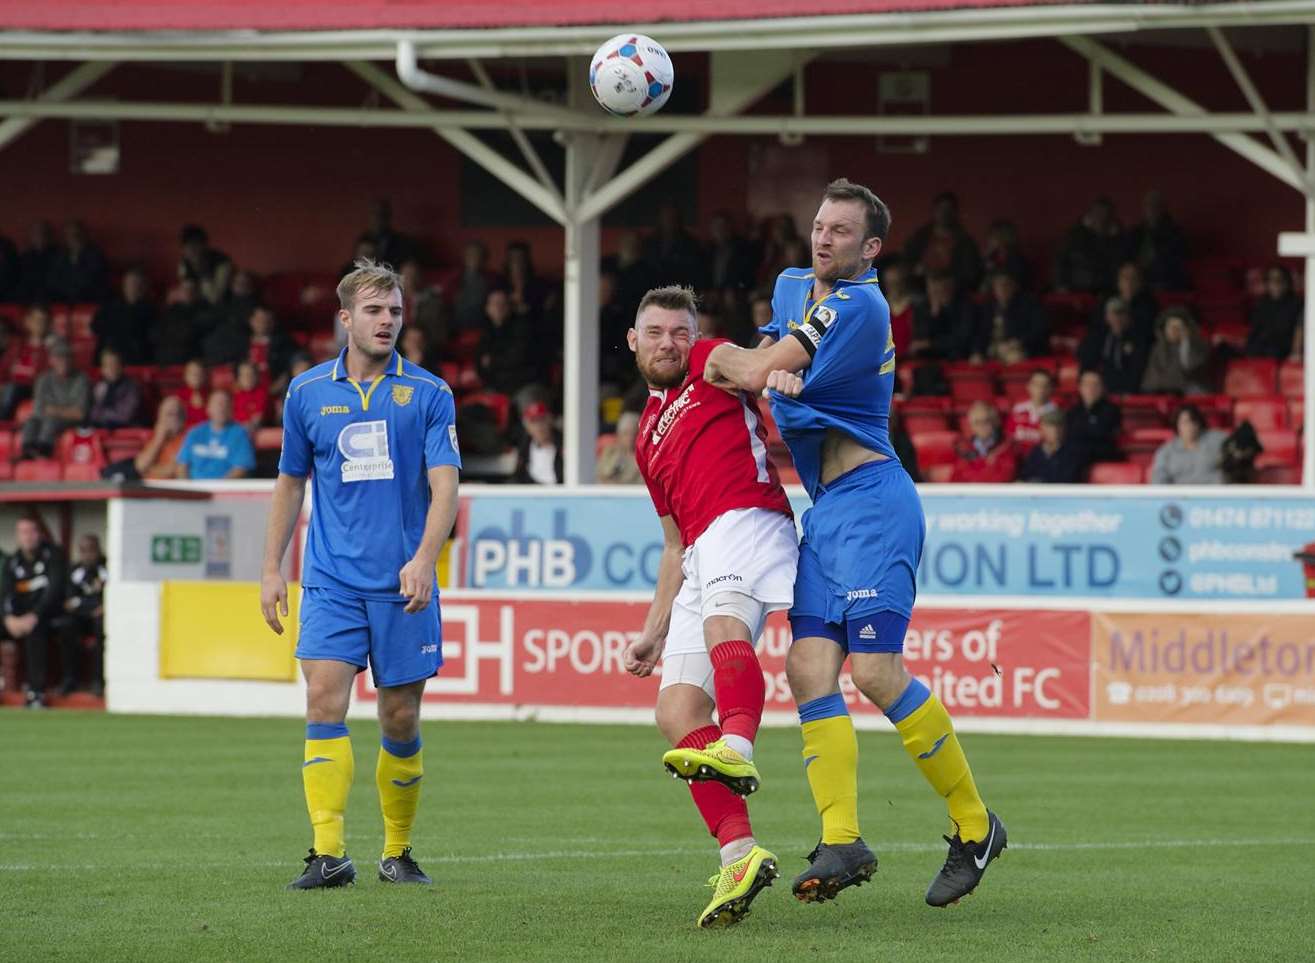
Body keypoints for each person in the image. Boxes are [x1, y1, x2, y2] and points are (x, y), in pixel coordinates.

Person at [701, 178, 1005, 907]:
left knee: (872, 671)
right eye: (818, 224)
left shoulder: (859, 304)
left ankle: (974, 824)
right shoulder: (790, 285)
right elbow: (769, 366)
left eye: (841, 230)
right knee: (807, 666)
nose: (823, 236)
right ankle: (842, 839)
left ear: (870, 248)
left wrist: (716, 353)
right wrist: (761, 364)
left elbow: (751, 369)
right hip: (827, 509)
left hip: (874, 502)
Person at [260, 258, 461, 890]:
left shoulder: (428, 393)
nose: (387, 322)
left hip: (403, 586)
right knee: (323, 700)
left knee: (399, 719)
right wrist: (272, 569)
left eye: (396, 311)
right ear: (345, 318)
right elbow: (291, 481)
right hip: (330, 581)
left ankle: (397, 851)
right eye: (375, 311)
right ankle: (328, 852)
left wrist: (425, 558)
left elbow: (446, 485)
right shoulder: (307, 392)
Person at [621, 284, 796, 928]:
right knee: (676, 711)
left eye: (681, 332)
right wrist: (652, 632)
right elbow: (672, 544)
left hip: (747, 517)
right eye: (658, 332)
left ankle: (739, 747)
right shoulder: (645, 436)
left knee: (728, 625)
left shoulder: (711, 362)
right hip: (698, 547)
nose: (672, 343)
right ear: (634, 341)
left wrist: (780, 363)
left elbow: (756, 366)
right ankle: (739, 852)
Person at [0, 516, 68, 708]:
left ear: (39, 534)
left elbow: (53, 592)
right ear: (17, 536)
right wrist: (8, 618)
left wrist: (35, 614)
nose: (27, 537)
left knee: (36, 632)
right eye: (23, 532)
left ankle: (35, 692)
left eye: (31, 531)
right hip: (17, 619)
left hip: (45, 616)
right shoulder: (12, 561)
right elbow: (5, 593)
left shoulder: (53, 557)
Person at [52, 533, 108, 697]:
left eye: (91, 550)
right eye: (83, 551)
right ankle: (69, 679)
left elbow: (110, 597)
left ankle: (98, 681)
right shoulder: (74, 571)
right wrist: (91, 605)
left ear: (99, 550)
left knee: (101, 627)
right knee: (66, 626)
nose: (88, 555)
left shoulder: (107, 569)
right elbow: (69, 602)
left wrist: (95, 605)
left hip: (100, 619)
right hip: (80, 617)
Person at [20, 341, 89, 459]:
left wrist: (53, 410)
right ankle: (28, 455)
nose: (63, 361)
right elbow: (38, 409)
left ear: (72, 360)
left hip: (71, 422)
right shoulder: (43, 379)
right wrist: (65, 410)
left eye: (67, 357)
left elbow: (80, 413)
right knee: (30, 422)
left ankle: (44, 454)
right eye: (59, 358)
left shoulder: (81, 379)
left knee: (50, 423)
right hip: (50, 418)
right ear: (51, 360)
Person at [904, 191, 983, 292]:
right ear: (934, 211)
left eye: (948, 210)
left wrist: (948, 279)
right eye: (941, 209)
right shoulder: (920, 237)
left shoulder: (965, 242)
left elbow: (970, 274)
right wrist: (916, 270)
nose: (944, 214)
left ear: (955, 213)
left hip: (952, 291)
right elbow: (907, 261)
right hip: (920, 288)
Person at [175, 389, 255, 480]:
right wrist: (187, 488)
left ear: (231, 409)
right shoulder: (195, 432)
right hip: (193, 489)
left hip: (223, 490)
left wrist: (218, 488)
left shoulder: (240, 434)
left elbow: (241, 469)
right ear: (208, 408)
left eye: (226, 404)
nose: (222, 407)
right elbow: (182, 465)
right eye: (218, 403)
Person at [972, 270, 1047, 363]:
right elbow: (981, 333)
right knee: (975, 362)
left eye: (1006, 284)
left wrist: (1018, 342)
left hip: (1018, 348)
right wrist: (977, 351)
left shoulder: (1028, 305)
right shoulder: (988, 307)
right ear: (994, 288)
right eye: (998, 285)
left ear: (1014, 286)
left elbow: (1039, 330)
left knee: (1014, 358)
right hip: (993, 348)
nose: (1002, 288)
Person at [1078, 298, 1149, 395]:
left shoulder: (1138, 339)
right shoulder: (1099, 338)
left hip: (1131, 388)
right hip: (1103, 387)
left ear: (1128, 316)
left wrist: (1130, 389)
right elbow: (1088, 362)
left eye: (1121, 314)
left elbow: (1138, 370)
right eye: (1113, 314)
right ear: (1107, 317)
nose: (1117, 318)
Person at [1054, 196, 1125, 294]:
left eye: (1106, 216)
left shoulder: (1119, 239)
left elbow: (1121, 266)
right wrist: (1061, 284)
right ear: (1091, 215)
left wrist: (1113, 238)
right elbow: (1061, 261)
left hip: (1108, 290)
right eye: (1098, 214)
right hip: (1078, 288)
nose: (1101, 219)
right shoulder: (1075, 236)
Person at [1127, 190, 1189, 292]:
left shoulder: (1175, 232)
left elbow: (1172, 261)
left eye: (1156, 206)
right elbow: (1128, 256)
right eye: (1148, 205)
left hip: (1163, 280)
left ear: (1164, 208)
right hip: (1136, 279)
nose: (1151, 209)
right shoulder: (1136, 232)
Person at [1, 304, 55, 419]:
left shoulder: (52, 348)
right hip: (10, 387)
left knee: (12, 390)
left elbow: (49, 377)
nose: (39, 324)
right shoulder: (16, 345)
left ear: (49, 324)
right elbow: (4, 369)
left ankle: (3, 423)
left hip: (34, 389)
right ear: (27, 321)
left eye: (43, 320)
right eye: (35, 319)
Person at [1141, 307, 1212, 395]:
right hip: (1162, 392)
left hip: (1189, 392)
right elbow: (1152, 379)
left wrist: (1185, 343)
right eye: (1170, 327)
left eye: (1178, 327)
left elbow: (1191, 367)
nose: (1174, 330)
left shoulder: (1199, 346)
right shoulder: (1157, 348)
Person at [91, 267, 154, 364]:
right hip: (110, 354)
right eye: (129, 283)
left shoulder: (150, 311)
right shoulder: (110, 307)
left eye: (136, 284)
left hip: (135, 357)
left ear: (143, 287)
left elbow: (149, 338)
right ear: (123, 285)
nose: (132, 287)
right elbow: (95, 326)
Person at [1150, 404, 1225, 484]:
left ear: (1199, 423)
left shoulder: (1218, 440)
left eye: (1193, 421)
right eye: (1185, 422)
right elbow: (1158, 480)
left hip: (1216, 493)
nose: (1190, 426)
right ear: (1177, 425)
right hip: (1180, 495)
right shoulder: (1165, 451)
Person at [950, 401, 1018, 483]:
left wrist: (976, 473)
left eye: (986, 421)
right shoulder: (965, 448)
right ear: (972, 426)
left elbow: (1004, 478)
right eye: (977, 422)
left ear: (994, 422)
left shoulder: (1007, 446)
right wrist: (988, 465)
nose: (981, 426)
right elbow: (956, 479)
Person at [1245, 266, 1302, 360]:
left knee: (1271, 351)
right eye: (1271, 280)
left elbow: (1292, 335)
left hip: (1281, 350)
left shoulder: (1297, 303)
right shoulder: (1262, 303)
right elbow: (1254, 333)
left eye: (1279, 280)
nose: (1275, 284)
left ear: (1287, 283)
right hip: (1258, 349)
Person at [1066, 369, 1123, 464]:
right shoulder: (1072, 411)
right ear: (1080, 387)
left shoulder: (1112, 410)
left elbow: (1101, 434)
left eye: (1096, 384)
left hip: (1101, 457)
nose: (1091, 388)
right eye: (1087, 384)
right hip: (1075, 456)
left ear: (1102, 388)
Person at [125, 395, 188, 480]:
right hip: (150, 488)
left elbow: (174, 470)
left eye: (178, 413)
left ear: (184, 417)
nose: (174, 418)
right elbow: (140, 466)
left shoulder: (189, 438)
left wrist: (150, 469)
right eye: (169, 414)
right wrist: (159, 440)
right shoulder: (154, 438)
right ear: (159, 417)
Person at [46, 220, 109, 303]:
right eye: (70, 235)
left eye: (77, 235)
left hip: (88, 296)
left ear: (84, 235)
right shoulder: (60, 256)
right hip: (64, 296)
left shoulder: (95, 254)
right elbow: (54, 279)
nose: (74, 238)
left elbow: (92, 278)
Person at [1018, 410, 1087, 483]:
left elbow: (1068, 479)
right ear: (1042, 428)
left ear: (1065, 428)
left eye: (1059, 426)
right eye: (1050, 426)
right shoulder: (1035, 452)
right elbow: (1025, 478)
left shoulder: (1074, 453)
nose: (1055, 430)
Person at [88, 348, 143, 430]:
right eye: (107, 365)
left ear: (121, 367)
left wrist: (103, 415)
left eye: (114, 364)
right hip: (101, 430)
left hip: (127, 432)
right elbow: (93, 415)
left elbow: (125, 417)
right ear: (102, 369)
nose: (111, 368)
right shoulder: (99, 387)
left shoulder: (131, 387)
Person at [178, 224, 232, 305]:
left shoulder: (222, 262)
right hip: (197, 304)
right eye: (187, 246)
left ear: (204, 245)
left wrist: (202, 268)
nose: (191, 250)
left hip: (222, 305)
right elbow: (188, 293)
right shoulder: (184, 263)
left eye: (195, 244)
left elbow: (215, 298)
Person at [1004, 369, 1057, 451]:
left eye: (1045, 385)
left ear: (1051, 388)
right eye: (1037, 384)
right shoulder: (1018, 409)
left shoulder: (1055, 412)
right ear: (1029, 386)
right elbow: (1009, 437)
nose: (1040, 389)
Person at [511, 401, 562, 484]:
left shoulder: (564, 445)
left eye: (542, 420)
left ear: (550, 420)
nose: (539, 426)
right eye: (533, 421)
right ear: (527, 426)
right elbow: (519, 475)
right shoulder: (524, 447)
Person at [595, 411, 643, 484]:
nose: (631, 438)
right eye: (626, 433)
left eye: (634, 433)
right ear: (619, 435)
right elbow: (601, 476)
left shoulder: (644, 457)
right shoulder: (610, 452)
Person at [231, 360, 269, 431]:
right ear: (238, 378)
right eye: (244, 375)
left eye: (251, 374)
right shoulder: (234, 395)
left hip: (255, 431)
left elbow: (257, 420)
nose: (248, 378)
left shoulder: (261, 393)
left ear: (257, 377)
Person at [174, 359, 209, 427]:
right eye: (192, 373)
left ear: (205, 376)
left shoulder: (211, 395)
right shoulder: (179, 396)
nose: (196, 376)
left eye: (199, 373)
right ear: (185, 376)